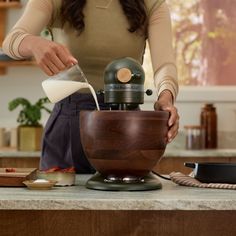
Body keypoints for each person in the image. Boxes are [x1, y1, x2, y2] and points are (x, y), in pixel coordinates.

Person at [2, 0, 179, 173]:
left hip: (127, 127)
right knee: (59, 202)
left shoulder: (152, 4)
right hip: (68, 126)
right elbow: (11, 41)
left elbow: (164, 65)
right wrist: (34, 43)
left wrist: (166, 96)